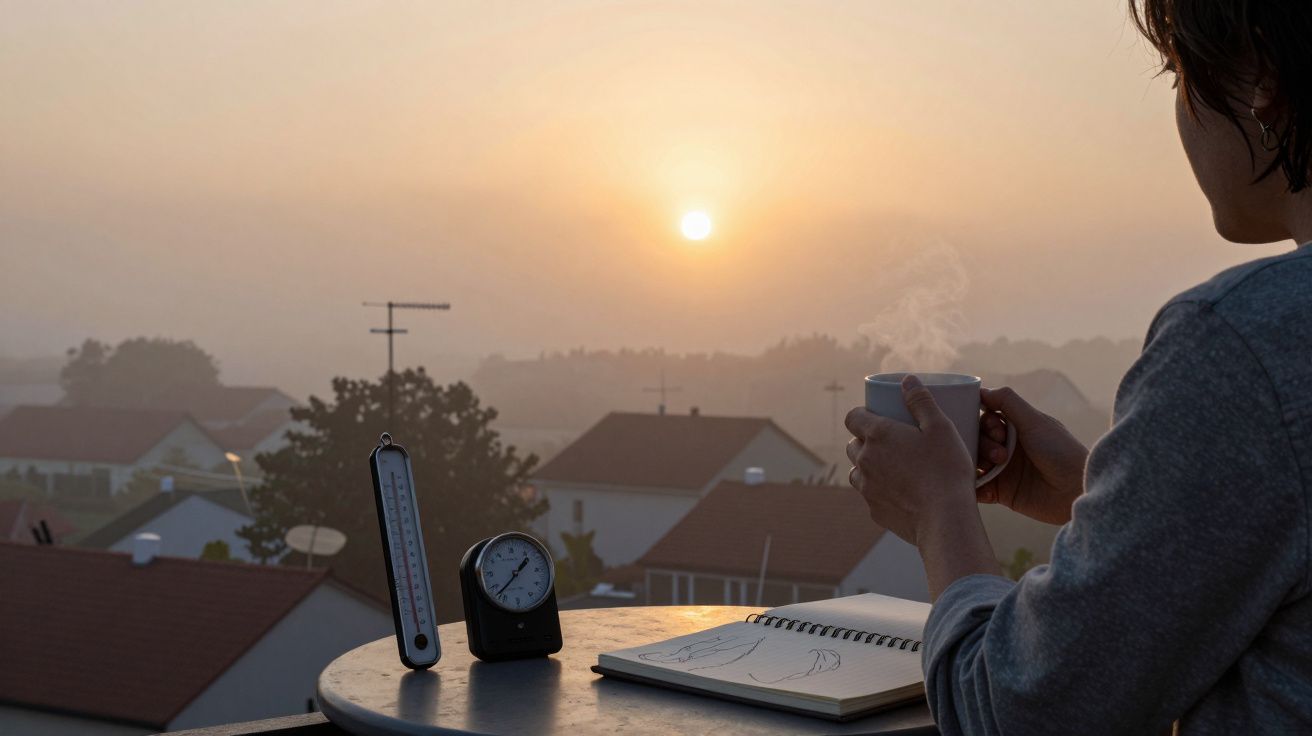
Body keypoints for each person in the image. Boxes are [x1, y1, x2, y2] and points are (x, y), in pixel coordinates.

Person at [843, 2, 1312, 733]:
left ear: (1262, 80)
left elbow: (1019, 707)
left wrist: (938, 514)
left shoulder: (1245, 342)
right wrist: (1098, 495)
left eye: (1178, 74)